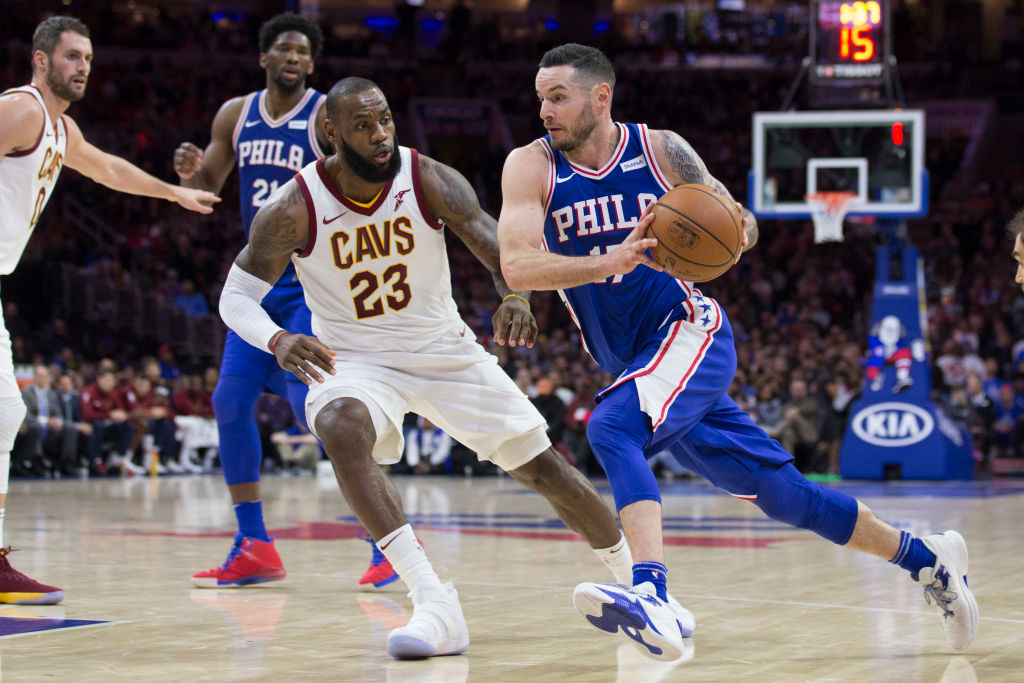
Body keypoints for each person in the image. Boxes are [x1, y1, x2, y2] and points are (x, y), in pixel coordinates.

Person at [496, 43, 978, 660]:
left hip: (687, 329)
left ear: (600, 97)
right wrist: (604, 261)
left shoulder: (659, 150)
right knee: (787, 497)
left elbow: (739, 222)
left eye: (557, 97)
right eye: (540, 99)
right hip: (634, 362)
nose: (544, 111)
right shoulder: (530, 166)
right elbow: (516, 263)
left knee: (612, 425)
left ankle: (652, 594)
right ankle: (928, 559)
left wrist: (726, 231)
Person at [217, 76, 633, 659]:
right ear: (332, 133)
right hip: (357, 359)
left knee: (546, 472)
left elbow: (503, 255)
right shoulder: (293, 206)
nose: (381, 135)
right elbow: (234, 298)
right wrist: (278, 337)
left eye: (385, 119)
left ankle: (638, 582)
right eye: (363, 126)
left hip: (445, 349)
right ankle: (433, 600)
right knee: (338, 423)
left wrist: (515, 298)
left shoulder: (427, 178)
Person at [0, 16, 218, 604]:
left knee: (5, 413)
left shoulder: (61, 129)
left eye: (89, 59)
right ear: (41, 61)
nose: (83, 67)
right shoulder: (20, 110)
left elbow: (109, 170)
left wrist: (172, 193)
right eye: (72, 56)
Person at [173, 13, 384, 589]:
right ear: (265, 57)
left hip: (313, 283)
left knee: (309, 412)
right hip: (258, 281)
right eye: (282, 50)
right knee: (229, 402)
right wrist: (191, 172)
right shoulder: (234, 114)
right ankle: (254, 543)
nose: (292, 58)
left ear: (312, 64)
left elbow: (368, 177)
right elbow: (208, 187)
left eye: (302, 52)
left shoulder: (324, 115)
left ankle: (386, 539)